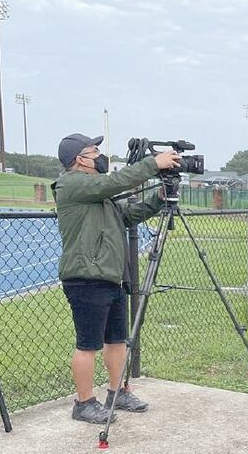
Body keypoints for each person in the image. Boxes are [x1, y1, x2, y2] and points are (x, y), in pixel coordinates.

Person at [52, 133, 180, 424]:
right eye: (94, 151)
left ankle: (117, 392)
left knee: (116, 340)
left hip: (110, 275)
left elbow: (127, 215)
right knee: (87, 344)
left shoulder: (98, 195)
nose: (100, 156)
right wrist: (153, 164)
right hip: (86, 277)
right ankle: (84, 403)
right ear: (80, 159)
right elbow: (114, 183)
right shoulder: (72, 184)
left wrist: (159, 198)